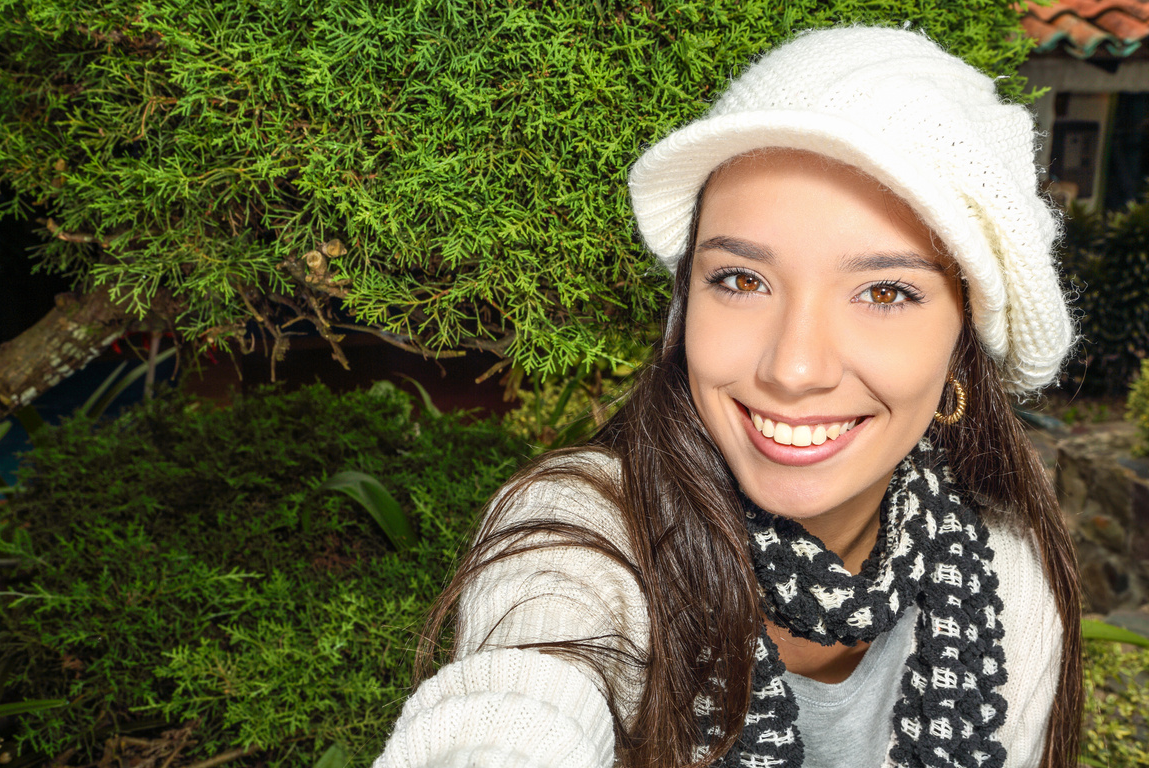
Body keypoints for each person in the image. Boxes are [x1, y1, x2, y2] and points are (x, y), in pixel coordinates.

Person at [375, 25, 1081, 768]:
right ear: (685, 306)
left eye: (884, 291)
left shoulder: (1005, 576)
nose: (794, 368)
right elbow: (517, 705)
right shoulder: (584, 531)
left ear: (962, 344)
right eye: (741, 280)